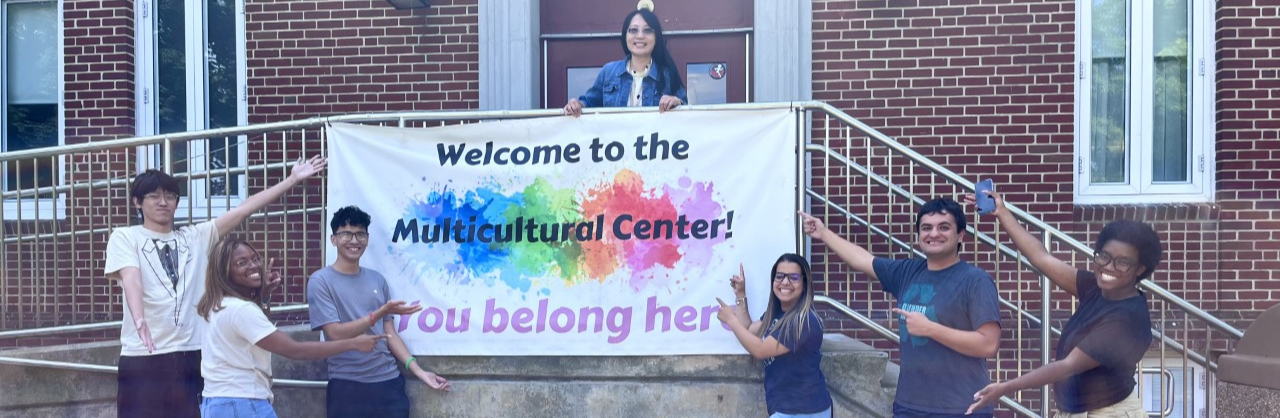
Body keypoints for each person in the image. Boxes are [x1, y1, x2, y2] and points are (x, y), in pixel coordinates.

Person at [104, 156, 327, 418]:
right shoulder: (125, 236)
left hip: (193, 352)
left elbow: (243, 210)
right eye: (154, 196)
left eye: (170, 196)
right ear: (137, 202)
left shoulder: (196, 236)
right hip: (143, 354)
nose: (163, 202)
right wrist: (139, 317)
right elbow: (131, 276)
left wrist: (291, 180)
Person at [798, 198, 1002, 418]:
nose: (934, 234)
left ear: (960, 235)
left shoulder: (976, 281)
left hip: (961, 408)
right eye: (926, 228)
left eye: (944, 227)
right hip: (909, 406)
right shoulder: (908, 271)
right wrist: (823, 233)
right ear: (919, 235)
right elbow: (863, 260)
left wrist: (931, 329)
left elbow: (988, 344)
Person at [964, 190, 1158, 417]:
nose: (1108, 267)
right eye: (1104, 256)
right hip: (1077, 410)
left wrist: (1005, 388)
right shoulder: (1097, 288)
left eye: (1122, 262)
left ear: (1140, 269)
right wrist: (1002, 212)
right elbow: (1041, 258)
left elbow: (1068, 366)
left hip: (1109, 412)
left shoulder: (1127, 319)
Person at [197, 237, 385, 418]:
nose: (253, 265)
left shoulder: (217, 305)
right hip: (243, 403)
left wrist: (264, 297)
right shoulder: (241, 310)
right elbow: (296, 349)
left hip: (218, 403)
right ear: (224, 272)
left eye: (255, 258)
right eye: (241, 263)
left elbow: (257, 334)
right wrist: (353, 344)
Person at [307, 206, 451, 418]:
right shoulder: (320, 281)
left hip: (389, 383)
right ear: (333, 239)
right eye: (346, 234)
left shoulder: (377, 280)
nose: (354, 240)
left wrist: (419, 372)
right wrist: (377, 314)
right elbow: (334, 333)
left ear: (367, 239)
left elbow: (389, 334)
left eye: (360, 234)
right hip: (347, 385)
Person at [716, 254, 834, 418]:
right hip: (786, 409)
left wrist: (731, 320)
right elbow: (749, 330)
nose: (785, 282)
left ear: (804, 284)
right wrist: (740, 295)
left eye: (793, 277)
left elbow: (760, 350)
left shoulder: (804, 321)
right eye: (780, 276)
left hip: (805, 410)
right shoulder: (777, 314)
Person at [562, 6, 687, 117]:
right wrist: (577, 105)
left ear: (656, 38)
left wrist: (678, 104)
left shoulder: (667, 75)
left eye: (647, 30)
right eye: (633, 30)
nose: (640, 36)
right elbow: (589, 104)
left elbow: (688, 114)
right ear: (625, 36)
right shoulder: (608, 72)